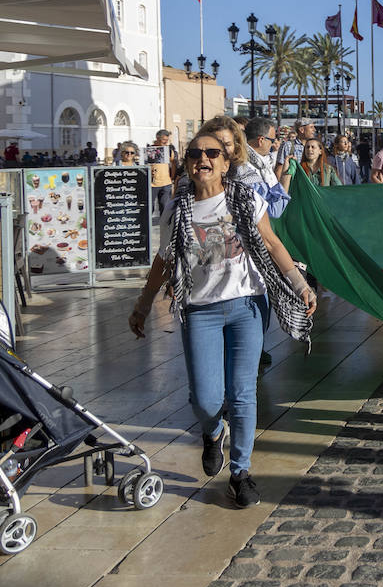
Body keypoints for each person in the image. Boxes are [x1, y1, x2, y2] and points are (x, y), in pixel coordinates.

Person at [129, 132, 317, 508]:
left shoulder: (245, 197)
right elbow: (163, 261)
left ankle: (241, 472)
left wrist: (299, 284)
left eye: (212, 153)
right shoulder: (176, 209)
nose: (204, 159)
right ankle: (213, 432)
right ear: (186, 163)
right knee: (205, 398)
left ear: (226, 162)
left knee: (243, 393)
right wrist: (143, 304)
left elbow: (271, 242)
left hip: (247, 305)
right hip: (200, 310)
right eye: (196, 153)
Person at [242, 116, 292, 217]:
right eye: (272, 141)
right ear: (261, 140)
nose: (273, 144)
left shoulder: (262, 163)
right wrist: (287, 175)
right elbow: (274, 210)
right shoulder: (246, 170)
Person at [147, 130, 178, 218]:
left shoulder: (168, 150)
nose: (166, 142)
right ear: (157, 138)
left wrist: (172, 176)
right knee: (150, 207)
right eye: (164, 139)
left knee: (165, 208)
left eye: (167, 140)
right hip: (152, 184)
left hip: (166, 183)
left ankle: (164, 228)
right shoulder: (150, 150)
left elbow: (174, 163)